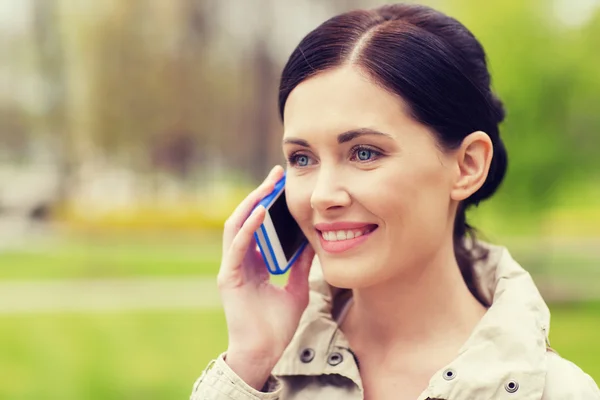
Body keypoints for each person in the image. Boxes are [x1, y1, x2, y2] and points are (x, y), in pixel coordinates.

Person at [190, 3, 600, 400]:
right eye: (303, 158)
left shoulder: (554, 392)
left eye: (364, 153)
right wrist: (250, 361)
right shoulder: (260, 377)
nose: (321, 195)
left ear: (468, 165)